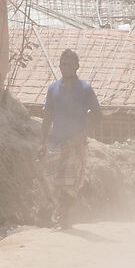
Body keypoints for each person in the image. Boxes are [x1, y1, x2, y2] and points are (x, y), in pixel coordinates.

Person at [43, 49, 102, 227]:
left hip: (76, 145)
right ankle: (58, 211)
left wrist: (81, 136)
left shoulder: (85, 89)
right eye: (62, 64)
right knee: (52, 180)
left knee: (71, 184)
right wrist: (41, 141)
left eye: (69, 64)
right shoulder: (53, 88)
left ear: (77, 66)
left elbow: (98, 115)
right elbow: (47, 116)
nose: (65, 67)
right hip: (55, 142)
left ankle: (64, 216)